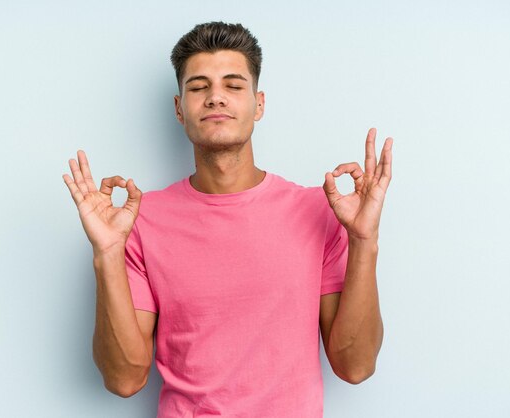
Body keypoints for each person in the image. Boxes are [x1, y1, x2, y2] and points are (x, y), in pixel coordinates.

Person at [63, 21, 393, 417]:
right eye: (199, 87)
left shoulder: (318, 211)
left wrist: (364, 240)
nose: (216, 97)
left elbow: (355, 366)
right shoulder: (138, 220)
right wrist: (107, 253)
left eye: (234, 86)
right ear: (179, 108)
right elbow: (124, 379)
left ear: (259, 104)